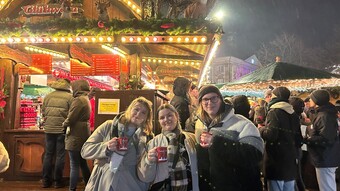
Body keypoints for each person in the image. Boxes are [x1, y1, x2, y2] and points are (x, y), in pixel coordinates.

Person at [195, 85, 264, 191]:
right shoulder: (199, 125)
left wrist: (216, 143)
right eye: (205, 99)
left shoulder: (242, 124)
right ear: (201, 103)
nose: (210, 102)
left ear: (221, 100)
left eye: (214, 98)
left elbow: (255, 154)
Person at [81, 97, 153, 191]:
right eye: (136, 109)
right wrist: (106, 147)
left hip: (132, 184)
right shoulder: (109, 126)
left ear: (146, 118)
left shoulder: (148, 137)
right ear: (130, 109)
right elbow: (85, 150)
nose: (138, 114)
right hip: (105, 182)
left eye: (143, 112)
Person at [138, 103, 199, 191]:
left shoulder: (192, 138)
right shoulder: (153, 143)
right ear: (159, 121)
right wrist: (148, 161)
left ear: (176, 116)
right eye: (162, 118)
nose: (166, 120)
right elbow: (145, 178)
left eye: (169, 115)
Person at [259, 86, 303, 191]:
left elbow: (271, 135)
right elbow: (299, 139)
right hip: (290, 159)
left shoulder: (274, 112)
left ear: (276, 96)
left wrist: (261, 130)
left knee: (276, 187)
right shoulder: (293, 113)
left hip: (276, 159)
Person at [304, 89, 340, 191]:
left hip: (325, 156)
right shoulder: (325, 113)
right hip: (326, 156)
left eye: (311, 98)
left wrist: (309, 139)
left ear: (317, 100)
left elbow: (327, 138)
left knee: (327, 186)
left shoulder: (324, 115)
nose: (310, 100)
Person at [41, 78, 73, 188]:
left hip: (49, 129)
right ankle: (57, 181)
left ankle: (45, 180)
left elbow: (43, 111)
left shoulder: (48, 96)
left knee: (48, 154)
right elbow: (71, 114)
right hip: (61, 129)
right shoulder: (70, 97)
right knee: (60, 155)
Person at [62, 79, 92, 191]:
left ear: (77, 88)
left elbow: (71, 118)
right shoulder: (86, 98)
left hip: (75, 135)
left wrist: (64, 124)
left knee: (74, 164)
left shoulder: (78, 100)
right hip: (83, 133)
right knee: (82, 162)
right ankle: (89, 185)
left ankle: (72, 188)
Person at [288, 96, 306, 191]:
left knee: (296, 175)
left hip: (294, 149)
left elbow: (297, 137)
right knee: (297, 174)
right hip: (297, 149)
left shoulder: (293, 118)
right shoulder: (299, 117)